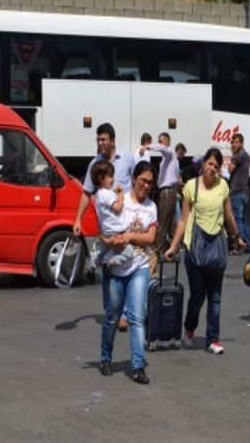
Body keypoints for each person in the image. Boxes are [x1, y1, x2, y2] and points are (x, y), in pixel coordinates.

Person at [165, 148, 244, 354]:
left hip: (216, 249)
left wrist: (237, 237)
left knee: (215, 298)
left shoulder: (223, 187)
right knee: (197, 296)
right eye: (209, 164)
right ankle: (190, 328)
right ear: (203, 164)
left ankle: (213, 339)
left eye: (216, 166)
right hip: (195, 249)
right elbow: (183, 220)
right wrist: (174, 246)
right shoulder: (192, 187)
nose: (212, 168)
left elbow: (229, 216)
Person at [98, 161, 158, 384]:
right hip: (116, 266)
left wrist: (130, 237)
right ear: (134, 178)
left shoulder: (151, 207)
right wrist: (111, 239)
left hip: (139, 266)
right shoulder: (119, 201)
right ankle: (106, 357)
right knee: (112, 317)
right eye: (142, 180)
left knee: (137, 317)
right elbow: (105, 226)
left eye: (150, 182)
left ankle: (138, 366)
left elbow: (151, 238)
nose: (145, 185)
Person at [74, 123, 135, 332]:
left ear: (112, 141)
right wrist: (77, 220)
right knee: (109, 274)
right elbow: (85, 193)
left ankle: (125, 314)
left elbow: (138, 185)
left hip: (126, 226)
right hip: (107, 228)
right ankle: (112, 312)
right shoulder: (95, 165)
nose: (100, 143)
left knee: (125, 270)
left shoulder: (127, 159)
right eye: (98, 140)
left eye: (103, 139)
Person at [142, 133, 179, 273]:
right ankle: (173, 249)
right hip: (167, 191)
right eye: (158, 142)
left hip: (168, 192)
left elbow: (164, 149)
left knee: (162, 222)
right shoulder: (166, 159)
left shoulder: (170, 154)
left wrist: (148, 146)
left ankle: (156, 252)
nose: (159, 144)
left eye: (161, 142)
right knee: (170, 224)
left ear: (168, 143)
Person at [88, 160, 133, 273]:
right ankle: (110, 262)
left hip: (107, 231)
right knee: (129, 251)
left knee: (103, 249)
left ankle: (92, 265)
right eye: (110, 176)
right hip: (116, 231)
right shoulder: (106, 194)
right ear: (100, 178)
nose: (113, 179)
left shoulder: (99, 194)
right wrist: (121, 195)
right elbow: (117, 208)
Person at [228, 133, 250, 254]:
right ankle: (249, 246)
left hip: (238, 191)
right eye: (233, 142)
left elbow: (230, 169)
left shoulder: (239, 155)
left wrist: (232, 154)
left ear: (241, 143)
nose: (234, 144)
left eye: (236, 142)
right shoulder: (246, 155)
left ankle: (239, 246)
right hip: (244, 191)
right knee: (243, 220)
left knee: (238, 219)